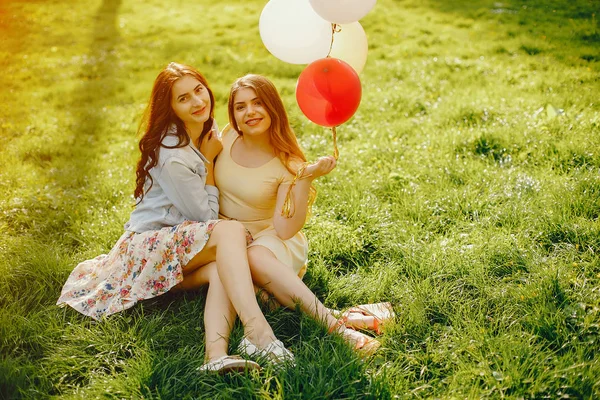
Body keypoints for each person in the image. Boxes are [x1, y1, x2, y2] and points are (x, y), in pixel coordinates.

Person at [56, 63, 295, 373]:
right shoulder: (174, 155)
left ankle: (215, 356)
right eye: (183, 99)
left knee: (224, 266)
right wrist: (209, 160)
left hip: (177, 251)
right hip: (146, 250)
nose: (197, 102)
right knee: (229, 233)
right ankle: (258, 332)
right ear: (170, 108)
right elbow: (205, 218)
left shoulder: (203, 131)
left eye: (198, 90)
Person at [184, 74, 380, 352]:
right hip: (229, 238)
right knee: (241, 276)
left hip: (272, 241)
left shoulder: (288, 163)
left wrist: (305, 179)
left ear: (273, 108)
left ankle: (337, 329)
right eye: (241, 107)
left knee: (252, 257)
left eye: (258, 103)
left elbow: (285, 228)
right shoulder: (225, 137)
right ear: (233, 114)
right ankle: (347, 315)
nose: (250, 112)